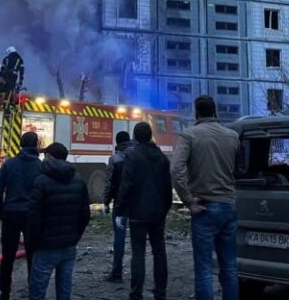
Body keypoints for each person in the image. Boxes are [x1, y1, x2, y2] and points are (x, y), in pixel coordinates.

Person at [171, 95, 241, 300]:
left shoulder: (189, 135)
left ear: (196, 113)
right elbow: (237, 169)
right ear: (215, 111)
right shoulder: (233, 136)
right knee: (229, 267)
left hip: (204, 208)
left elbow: (176, 170)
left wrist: (188, 201)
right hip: (229, 206)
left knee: (203, 269)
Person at [116, 122, 172, 300]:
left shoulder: (132, 157)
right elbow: (167, 188)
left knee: (138, 253)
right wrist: (164, 209)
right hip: (157, 213)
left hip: (137, 214)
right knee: (159, 252)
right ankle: (160, 292)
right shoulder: (162, 157)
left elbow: (126, 185)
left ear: (135, 137)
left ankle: (136, 294)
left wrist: (120, 210)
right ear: (150, 136)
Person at [27, 143, 90, 300]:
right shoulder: (79, 180)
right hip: (69, 245)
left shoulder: (40, 182)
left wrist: (34, 241)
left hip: (45, 246)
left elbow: (33, 217)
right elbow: (85, 214)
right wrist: (75, 236)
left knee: (37, 290)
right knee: (64, 288)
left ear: (49, 157)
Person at [0, 131, 42, 300]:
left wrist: (2, 212)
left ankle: (4, 292)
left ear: (20, 145)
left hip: (11, 214)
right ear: (36, 145)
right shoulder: (40, 166)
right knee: (32, 255)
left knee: (7, 256)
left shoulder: (9, 164)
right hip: (31, 215)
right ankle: (34, 290)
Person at [102, 130, 135, 283]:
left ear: (117, 143)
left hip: (120, 205)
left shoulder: (114, 159)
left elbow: (110, 183)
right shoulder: (137, 156)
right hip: (137, 205)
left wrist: (106, 202)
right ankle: (137, 273)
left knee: (119, 238)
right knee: (137, 239)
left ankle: (117, 273)